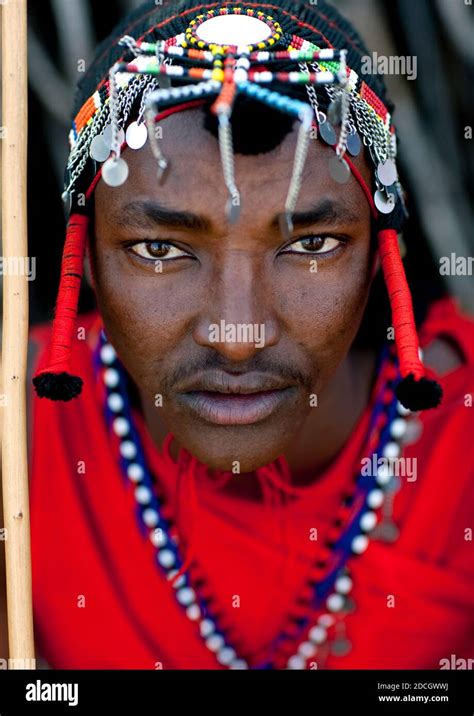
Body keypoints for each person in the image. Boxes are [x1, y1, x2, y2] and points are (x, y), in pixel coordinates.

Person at [4, 0, 474, 669]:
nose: (236, 336)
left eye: (311, 242)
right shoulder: (20, 432)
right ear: (91, 269)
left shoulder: (462, 453)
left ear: (378, 258)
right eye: (159, 250)